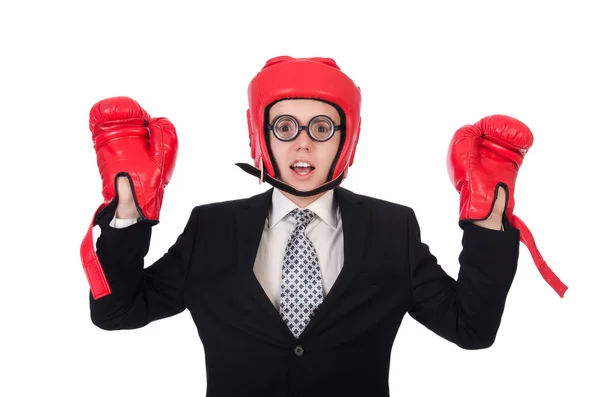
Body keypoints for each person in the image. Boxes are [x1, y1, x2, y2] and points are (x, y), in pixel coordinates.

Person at [84, 56, 525, 397]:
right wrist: (128, 210)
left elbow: (472, 329)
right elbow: (116, 312)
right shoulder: (211, 227)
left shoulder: (393, 228)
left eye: (320, 127)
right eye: (285, 126)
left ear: (346, 138)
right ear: (260, 136)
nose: (302, 142)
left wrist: (488, 218)